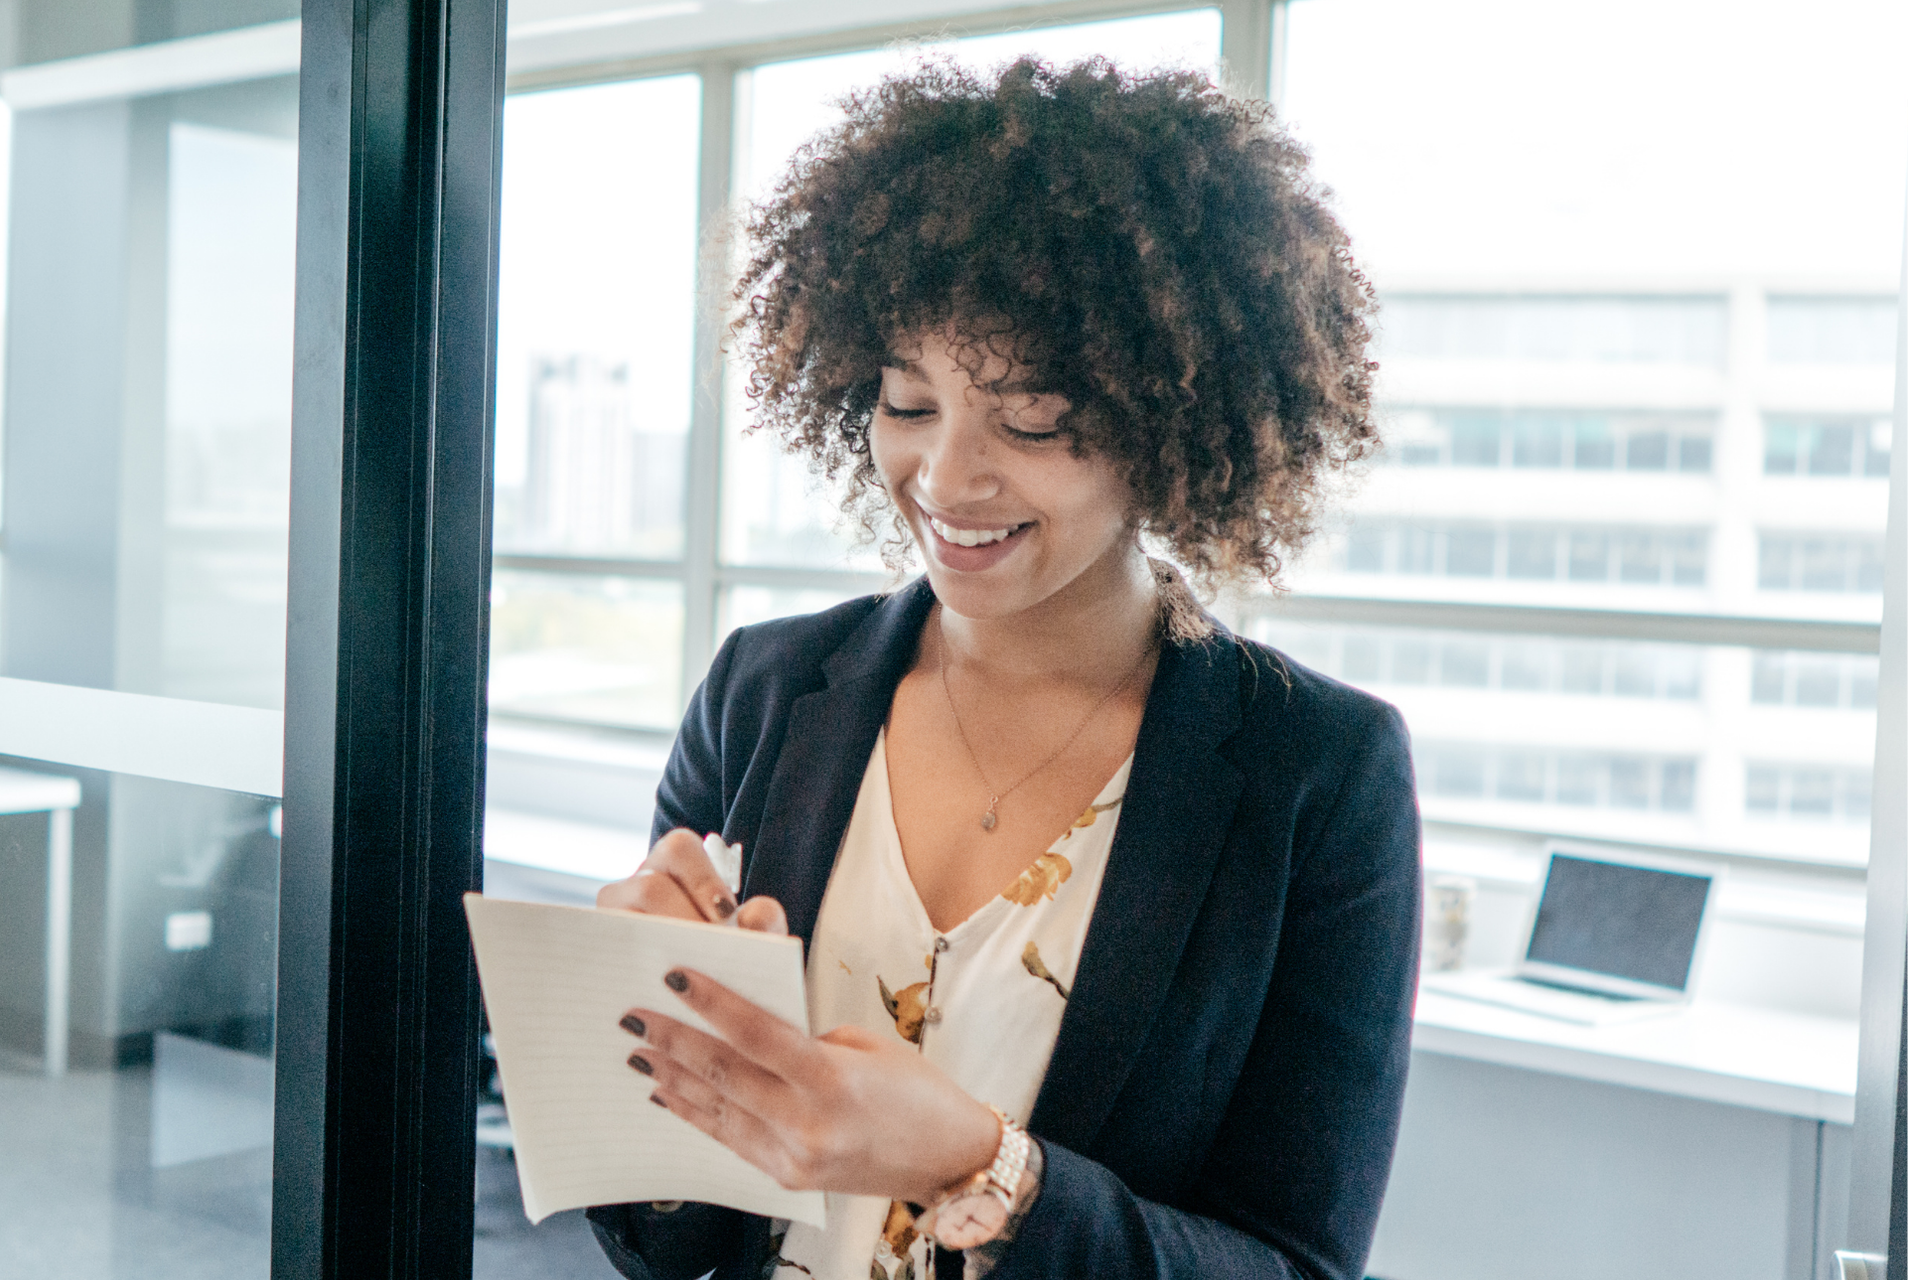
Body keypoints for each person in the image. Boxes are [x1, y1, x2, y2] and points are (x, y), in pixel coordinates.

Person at [587, 55, 1419, 1280]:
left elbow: (1297, 1262)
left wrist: (982, 1167)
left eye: (1031, 419)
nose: (948, 478)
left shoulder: (1315, 772)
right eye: (907, 402)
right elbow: (667, 1237)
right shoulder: (765, 691)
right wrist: (638, 1026)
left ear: (1177, 423)